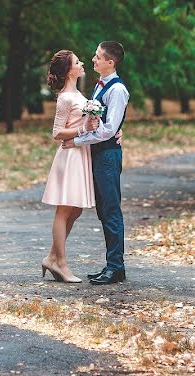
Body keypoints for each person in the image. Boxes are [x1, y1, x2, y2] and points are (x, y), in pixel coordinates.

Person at [62, 41, 129, 285]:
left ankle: (116, 267)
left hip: (108, 155)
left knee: (111, 210)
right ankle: (112, 264)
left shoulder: (117, 89)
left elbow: (109, 129)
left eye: (98, 57)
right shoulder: (102, 85)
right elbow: (105, 123)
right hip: (99, 153)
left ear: (110, 63)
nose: (93, 59)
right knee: (104, 210)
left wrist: (78, 141)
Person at [40, 50, 97, 283]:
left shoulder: (77, 93)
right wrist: (83, 129)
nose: (82, 63)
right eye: (77, 62)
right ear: (68, 70)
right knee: (64, 210)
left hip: (80, 154)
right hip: (69, 155)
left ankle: (52, 257)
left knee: (76, 209)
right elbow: (57, 133)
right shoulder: (65, 98)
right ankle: (61, 264)